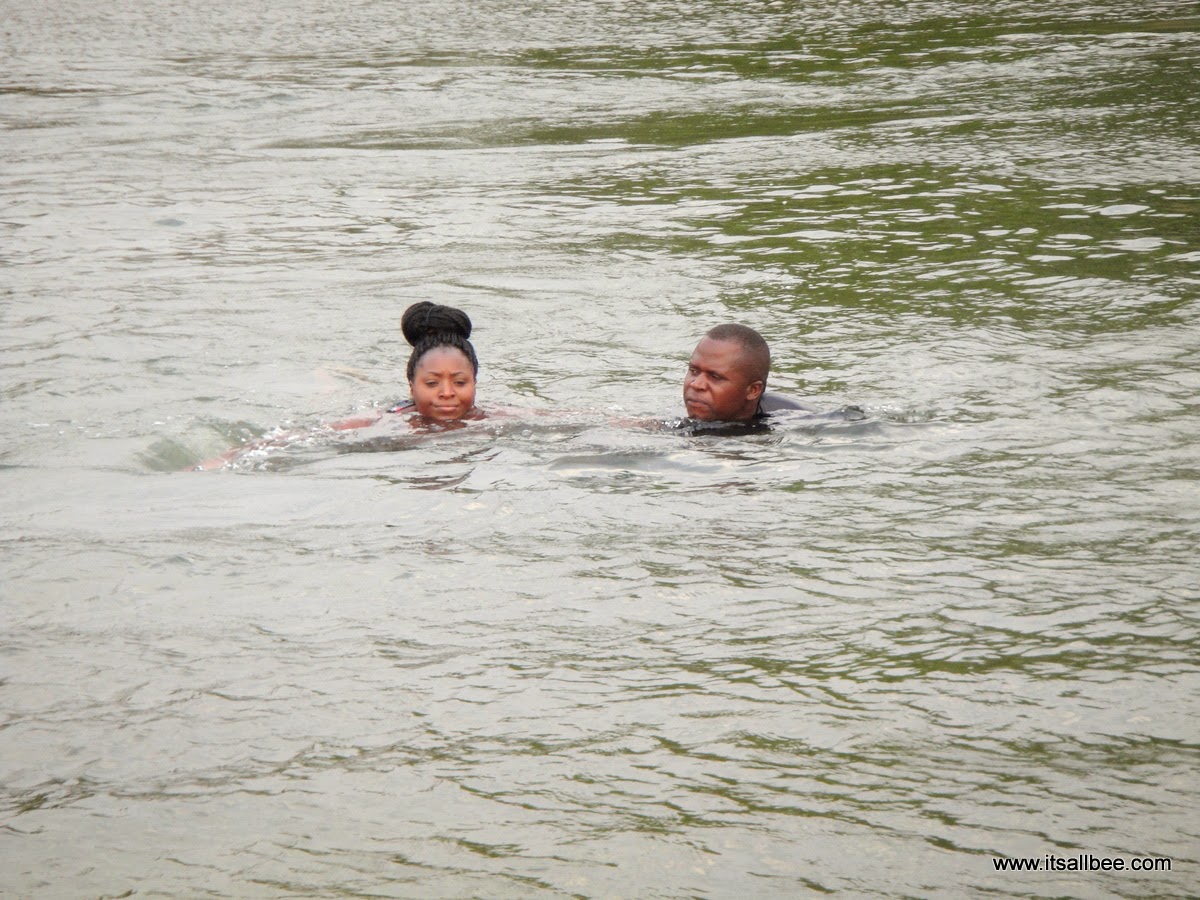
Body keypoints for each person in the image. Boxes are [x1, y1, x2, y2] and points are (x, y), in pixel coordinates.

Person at [191, 301, 482, 469]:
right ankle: (330, 379)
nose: (447, 393)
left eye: (460, 382)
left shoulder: (490, 420)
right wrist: (223, 459)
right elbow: (300, 437)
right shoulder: (387, 423)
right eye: (432, 383)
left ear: (474, 383)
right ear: (411, 386)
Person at [682, 323, 819, 424]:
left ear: (753, 390)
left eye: (715, 377)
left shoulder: (800, 422)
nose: (696, 384)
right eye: (694, 371)